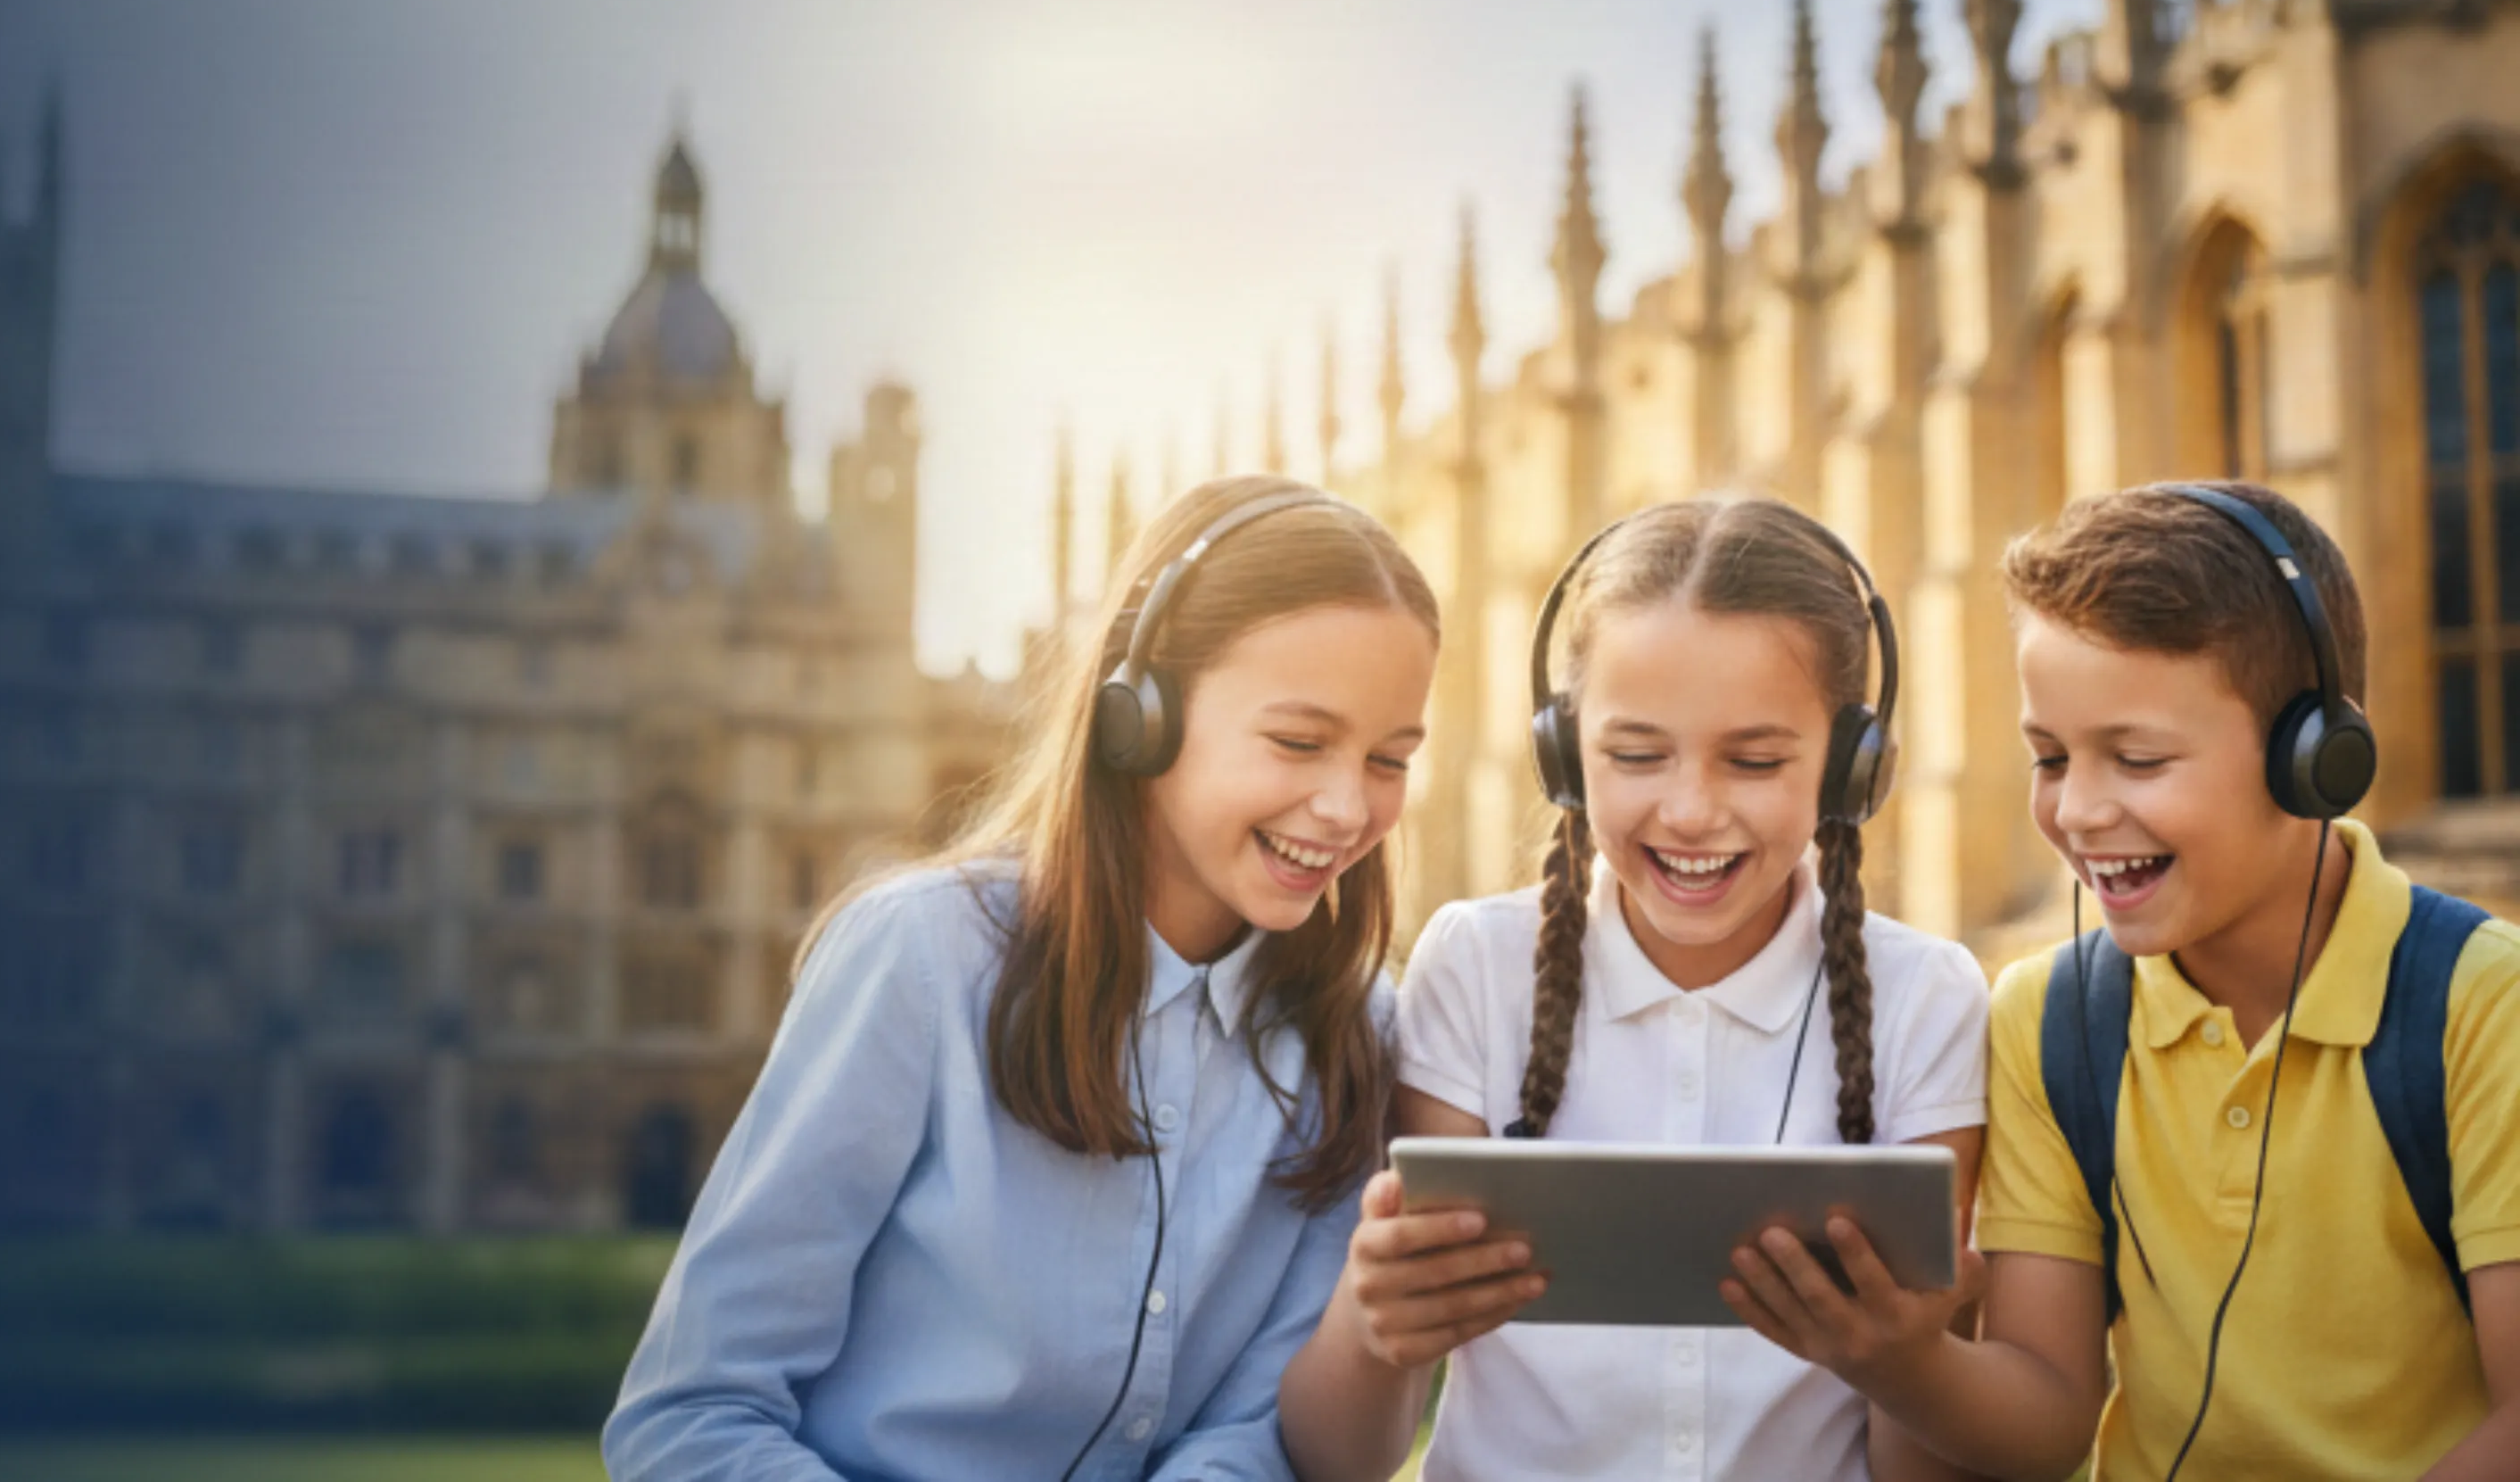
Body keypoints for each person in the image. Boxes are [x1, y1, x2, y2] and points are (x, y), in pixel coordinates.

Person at [603, 476, 1440, 1479]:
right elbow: (690, 1416)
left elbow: (1260, 1434)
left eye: (1391, 759)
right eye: (1300, 742)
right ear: (1143, 712)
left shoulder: (1360, 1029)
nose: (1349, 806)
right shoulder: (918, 960)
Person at [1729, 482, 2520, 1479]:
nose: (2081, 811)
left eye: (2138, 760)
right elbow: (2048, 1417)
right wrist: (1902, 1362)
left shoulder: (2483, 1007)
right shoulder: (2048, 1019)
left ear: (2313, 759)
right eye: (2050, 757)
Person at [1277, 496, 1989, 1481]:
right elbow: (1343, 1458)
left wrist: (1910, 1366)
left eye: (1755, 759)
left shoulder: (1927, 996)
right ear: (1565, 755)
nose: (1691, 810)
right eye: (1636, 754)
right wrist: (1369, 1322)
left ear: (1850, 770)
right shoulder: (1477, 968)